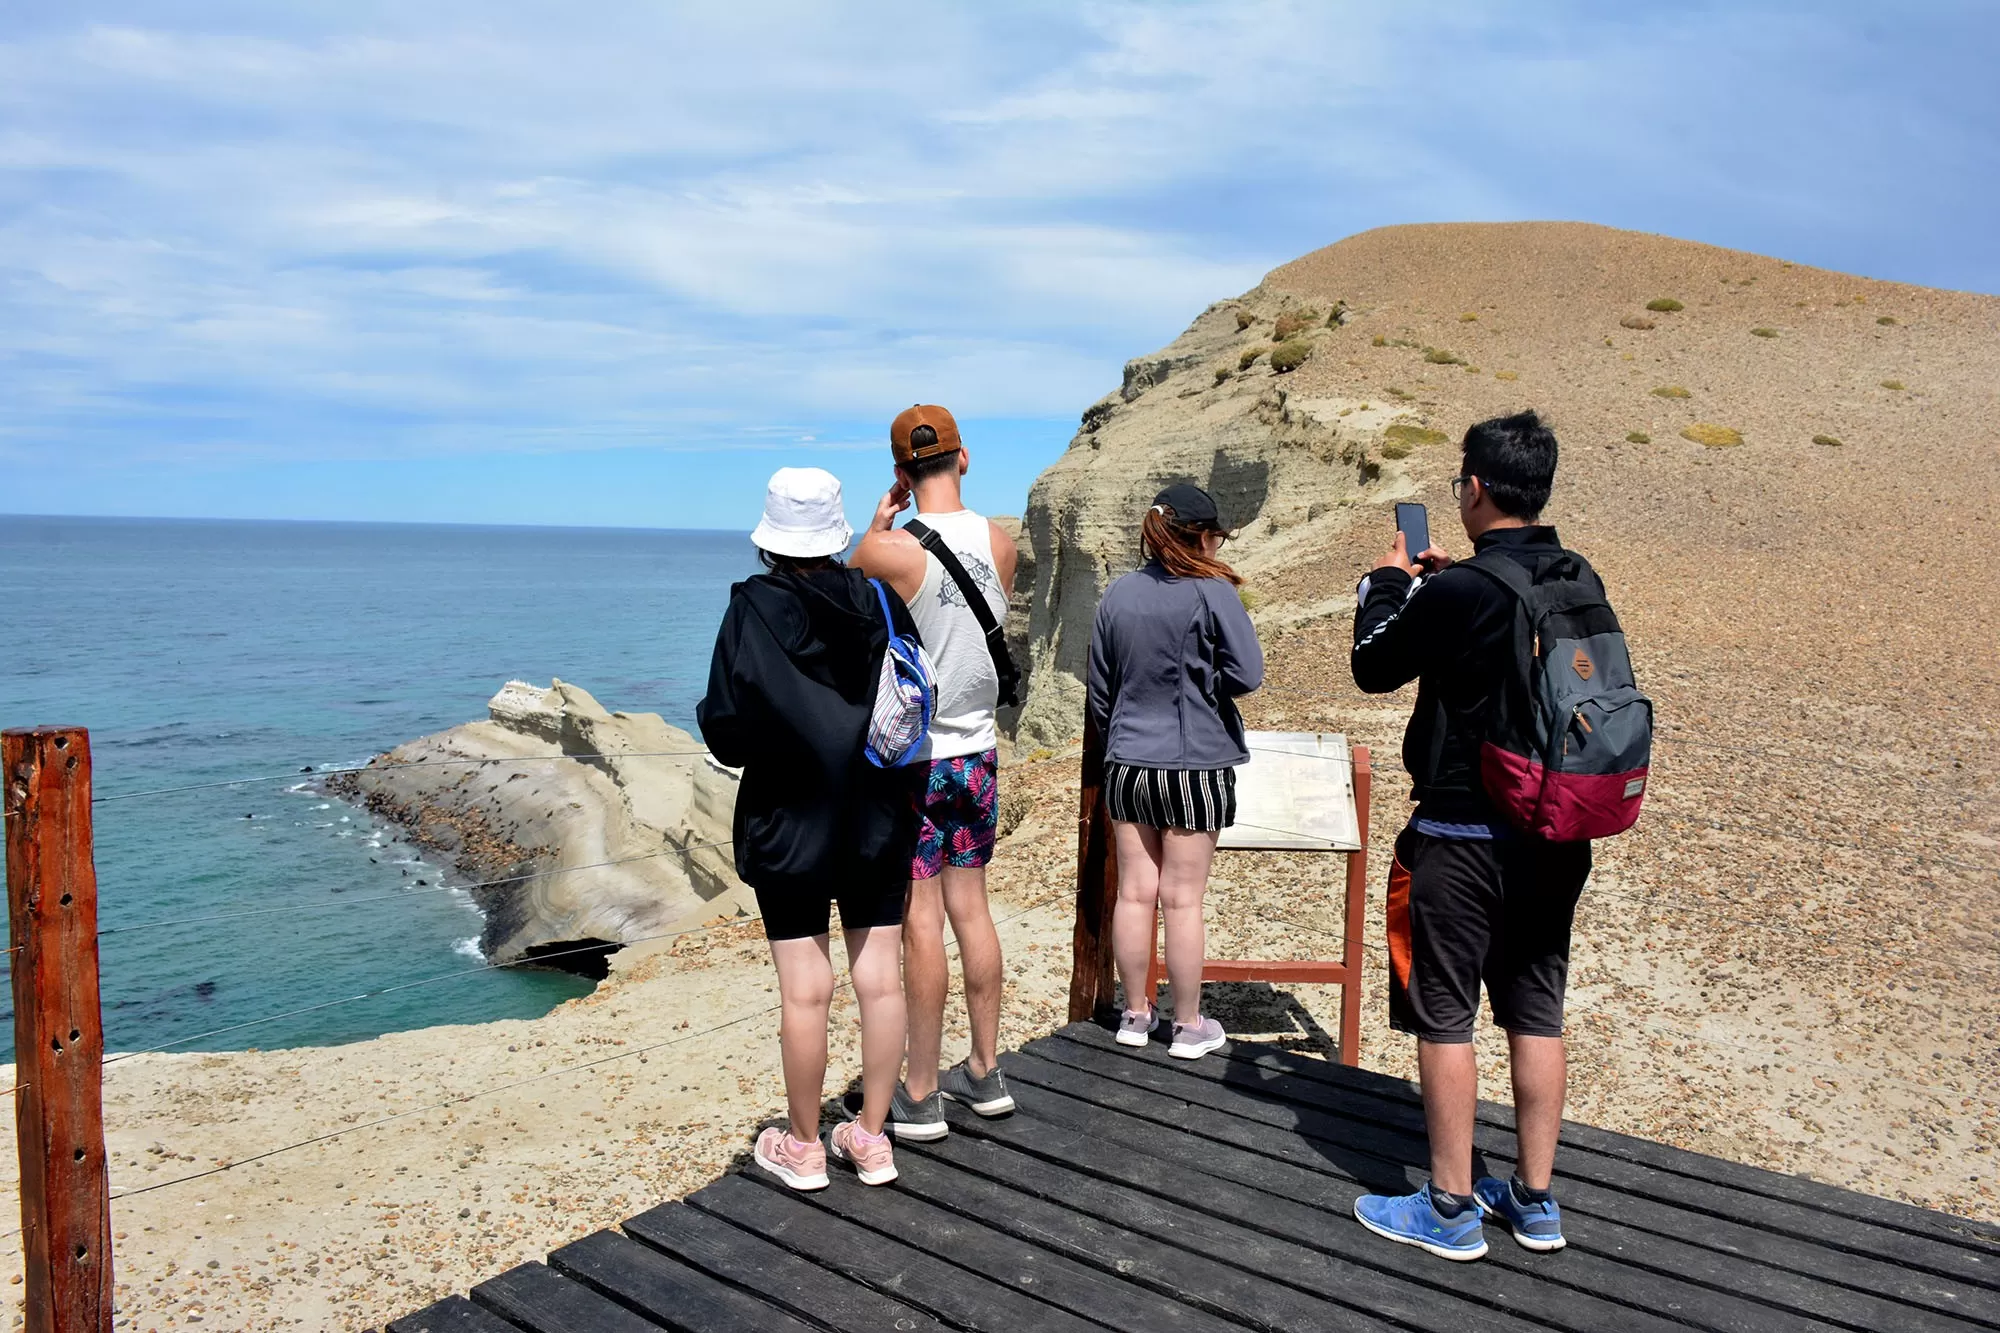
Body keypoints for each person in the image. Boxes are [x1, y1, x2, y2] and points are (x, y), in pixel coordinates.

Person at [1348, 410, 1596, 1260]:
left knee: (1445, 1013)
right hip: (1557, 834)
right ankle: (1534, 1201)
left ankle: (1449, 1206)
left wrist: (1386, 584)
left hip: (1461, 833)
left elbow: (1374, 665)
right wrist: (1453, 582)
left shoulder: (1460, 590)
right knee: (1537, 1010)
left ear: (1477, 488)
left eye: (1461, 482)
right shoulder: (1573, 574)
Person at [697, 466, 918, 1190]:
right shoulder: (879, 599)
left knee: (805, 990)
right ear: (835, 529)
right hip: (880, 810)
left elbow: (726, 731)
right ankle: (873, 1139)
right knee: (880, 981)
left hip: (790, 816)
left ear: (770, 536)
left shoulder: (751, 609)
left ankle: (802, 1146)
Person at [853, 404, 1020, 1140]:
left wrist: (881, 517)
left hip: (918, 761)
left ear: (900, 472)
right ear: (965, 458)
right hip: (978, 750)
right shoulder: (999, 542)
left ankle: (922, 1090)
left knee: (921, 922)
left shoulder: (892, 550)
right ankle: (985, 1069)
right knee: (972, 910)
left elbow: (850, 567)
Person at [1086, 483, 1263, 1060]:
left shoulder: (1117, 595)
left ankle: (1135, 1015)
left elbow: (1100, 694)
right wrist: (1204, 685)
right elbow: (1248, 673)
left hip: (1129, 762)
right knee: (1182, 899)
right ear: (1202, 536)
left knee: (1135, 894)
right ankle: (1188, 1026)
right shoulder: (1211, 591)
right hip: (1194, 764)